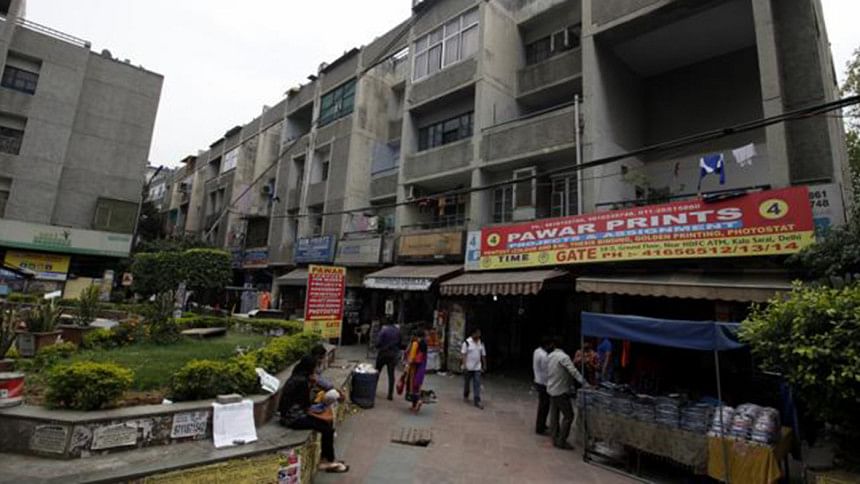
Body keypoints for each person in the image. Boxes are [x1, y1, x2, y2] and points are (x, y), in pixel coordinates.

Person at [279, 356, 348, 473]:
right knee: (327, 429)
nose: (316, 370)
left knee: (326, 425)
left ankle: (328, 458)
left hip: (292, 414)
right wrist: (319, 402)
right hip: (293, 418)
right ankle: (327, 461)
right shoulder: (302, 382)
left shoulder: (297, 376)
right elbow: (306, 405)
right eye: (315, 367)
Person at [547, 337, 587, 450]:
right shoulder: (563, 357)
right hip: (561, 390)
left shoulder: (550, 356)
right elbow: (573, 371)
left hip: (552, 388)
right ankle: (561, 441)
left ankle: (555, 437)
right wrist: (585, 383)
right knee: (569, 416)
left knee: (554, 414)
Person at [375, 318, 402, 400]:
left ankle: (373, 389)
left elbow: (378, 342)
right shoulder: (398, 331)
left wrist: (378, 346)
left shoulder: (384, 331)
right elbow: (400, 343)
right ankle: (390, 394)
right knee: (391, 375)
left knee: (377, 372)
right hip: (393, 355)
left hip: (383, 353)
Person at [403, 329, 428, 413]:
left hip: (414, 367)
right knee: (418, 385)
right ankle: (417, 402)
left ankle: (416, 402)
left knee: (412, 386)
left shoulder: (415, 343)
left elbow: (412, 356)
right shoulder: (424, 344)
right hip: (421, 367)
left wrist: (407, 365)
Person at [461, 328, 487, 409]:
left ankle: (477, 400)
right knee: (467, 383)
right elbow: (463, 355)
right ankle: (466, 394)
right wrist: (465, 365)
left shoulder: (481, 343)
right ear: (473, 334)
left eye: (479, 334)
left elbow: (483, 355)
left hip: (477, 367)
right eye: (477, 333)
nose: (478, 335)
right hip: (468, 367)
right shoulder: (467, 343)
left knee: (477, 383)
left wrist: (484, 365)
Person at [533, 337, 554, 435]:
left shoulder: (537, 351)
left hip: (538, 380)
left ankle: (542, 424)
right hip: (543, 382)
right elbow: (547, 370)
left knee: (543, 404)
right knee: (544, 405)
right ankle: (540, 426)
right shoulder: (544, 356)